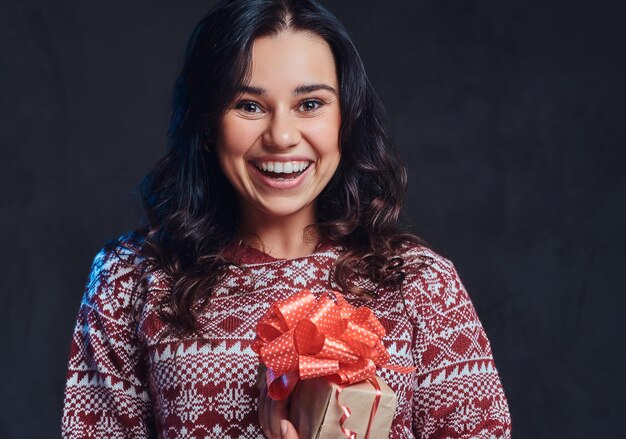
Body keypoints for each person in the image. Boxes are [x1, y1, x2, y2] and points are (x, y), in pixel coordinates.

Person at [61, 0, 512, 438]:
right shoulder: (130, 277)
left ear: (346, 118)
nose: (280, 136)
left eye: (310, 104)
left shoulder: (421, 284)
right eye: (249, 105)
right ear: (207, 122)